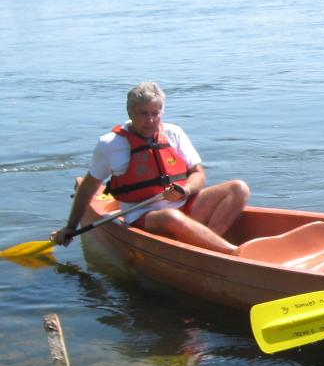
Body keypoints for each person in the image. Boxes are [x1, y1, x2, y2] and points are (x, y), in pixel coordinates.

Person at [52, 81, 249, 254]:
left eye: (155, 113)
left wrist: (185, 190)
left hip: (184, 203)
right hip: (143, 214)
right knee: (169, 216)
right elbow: (88, 187)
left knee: (238, 188)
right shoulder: (110, 144)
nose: (151, 120)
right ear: (130, 113)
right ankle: (233, 253)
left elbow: (198, 173)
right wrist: (70, 226)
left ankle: (207, 247)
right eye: (143, 114)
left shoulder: (174, 133)